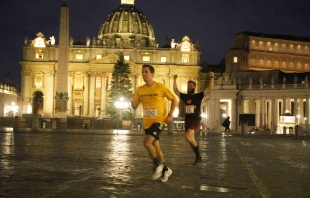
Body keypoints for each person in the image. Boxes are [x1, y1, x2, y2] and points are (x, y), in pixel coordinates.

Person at [130, 64, 178, 183]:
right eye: (143, 72)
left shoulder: (161, 87)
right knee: (155, 147)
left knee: (147, 143)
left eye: (146, 72)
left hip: (159, 120)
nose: (144, 74)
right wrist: (131, 101)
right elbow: (135, 106)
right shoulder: (139, 90)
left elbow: (174, 99)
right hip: (147, 122)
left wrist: (170, 114)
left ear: (152, 74)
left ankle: (157, 165)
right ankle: (166, 169)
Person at [173, 72, 214, 165]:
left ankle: (199, 155)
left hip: (195, 120)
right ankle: (198, 157)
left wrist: (212, 78)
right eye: (188, 86)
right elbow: (175, 90)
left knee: (187, 136)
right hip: (187, 120)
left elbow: (210, 88)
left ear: (194, 87)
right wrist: (174, 80)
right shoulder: (185, 96)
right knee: (189, 139)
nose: (189, 87)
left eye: (191, 86)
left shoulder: (198, 96)